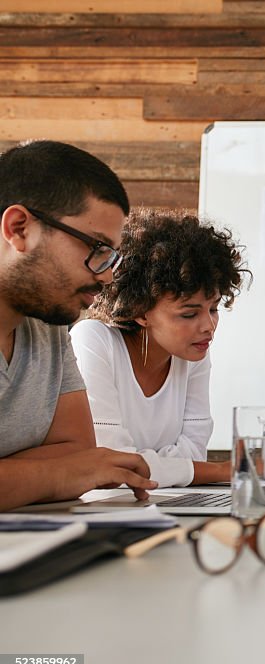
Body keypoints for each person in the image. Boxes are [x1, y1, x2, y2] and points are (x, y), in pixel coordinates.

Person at [0, 140, 155, 511]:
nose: (105, 278)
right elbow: (80, 468)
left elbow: (79, 451)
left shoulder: (49, 323)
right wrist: (61, 473)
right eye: (96, 248)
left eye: (111, 258)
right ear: (19, 228)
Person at [70, 209, 249, 487]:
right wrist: (224, 470)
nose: (208, 326)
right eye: (189, 314)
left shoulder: (193, 352)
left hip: (166, 504)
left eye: (213, 308)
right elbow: (113, 464)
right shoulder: (93, 340)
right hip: (106, 511)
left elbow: (194, 453)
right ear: (140, 311)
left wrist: (156, 464)